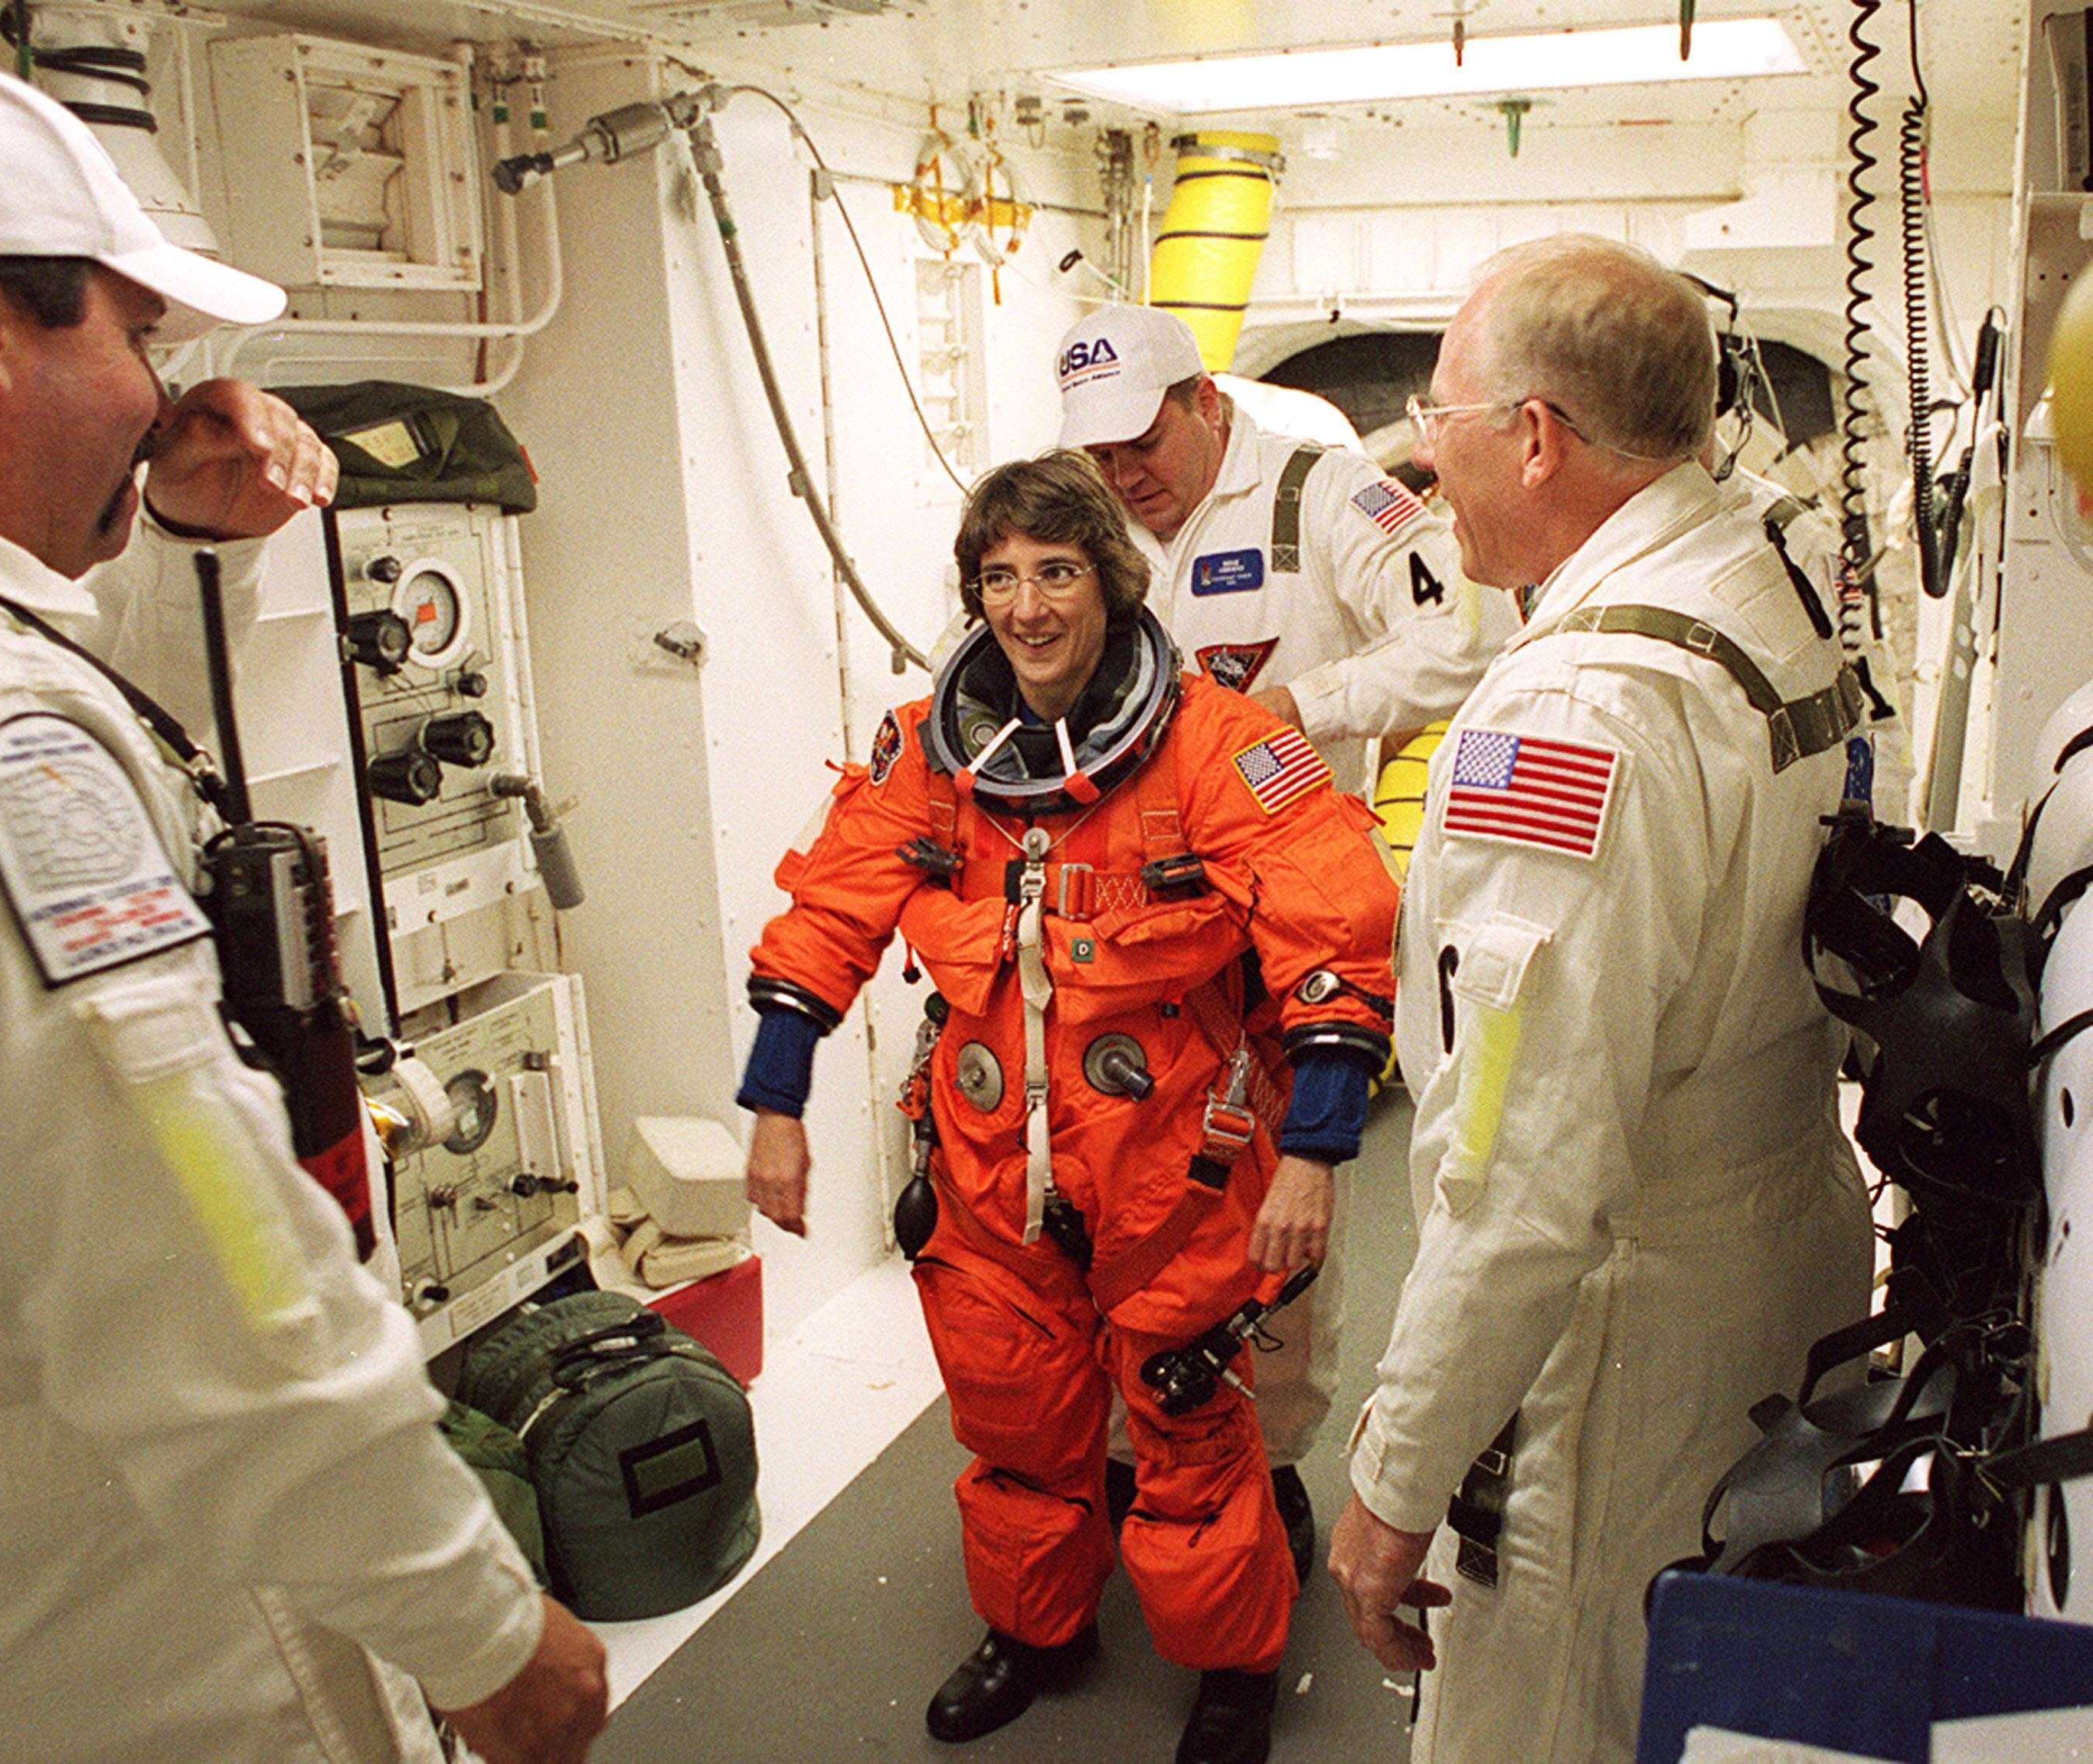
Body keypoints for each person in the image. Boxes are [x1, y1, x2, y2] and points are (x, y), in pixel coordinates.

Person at [0, 46, 607, 1763]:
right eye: (140, 338)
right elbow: (200, 1247)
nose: (170, 395)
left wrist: (164, 516)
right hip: (133, 1638)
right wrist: (474, 1624)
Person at [739, 450, 1399, 1764]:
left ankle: (1232, 1668)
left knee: (1188, 1427)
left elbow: (1336, 933)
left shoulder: (1221, 745)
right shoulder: (932, 753)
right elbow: (832, 911)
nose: (1027, 607)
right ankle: (1037, 1633)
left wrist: (1316, 1152)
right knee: (1014, 1418)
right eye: (999, 578)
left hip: (1181, 1166)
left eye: (1055, 572)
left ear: (1111, 578)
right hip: (991, 1168)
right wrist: (776, 1097)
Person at [1323, 235, 1874, 1763]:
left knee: (1551, 1717)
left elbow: (1524, 1168)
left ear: (1535, 437)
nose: (1421, 455)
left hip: (1622, 1334)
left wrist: (1396, 1480)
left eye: (1439, 415)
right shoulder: (1757, 572)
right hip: (1776, 1243)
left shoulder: (1580, 710)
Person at [1055, 301, 1519, 1567]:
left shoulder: (1320, 494)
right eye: (1100, 454)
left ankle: (1270, 1460)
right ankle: (1128, 1454)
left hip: (1280, 919)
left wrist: (1295, 709)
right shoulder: (1079, 519)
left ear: (1205, 404)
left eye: (1143, 443)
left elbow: (1470, 635)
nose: (1124, 476)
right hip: (1116, 932)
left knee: (1275, 1205)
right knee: (1112, 1200)